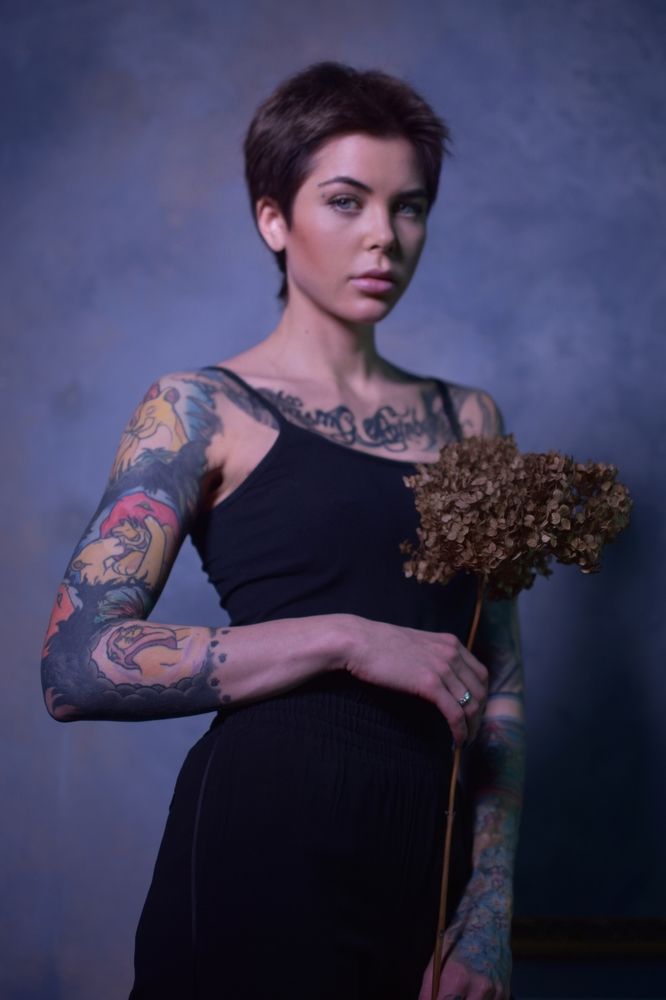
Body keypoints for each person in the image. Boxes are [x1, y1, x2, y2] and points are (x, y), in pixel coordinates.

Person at [41, 61, 525, 1000]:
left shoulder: (472, 422)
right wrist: (349, 639)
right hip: (258, 840)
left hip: (420, 860)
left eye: (410, 207)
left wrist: (489, 908)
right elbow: (73, 666)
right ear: (273, 218)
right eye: (346, 201)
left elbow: (498, 679)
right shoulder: (196, 409)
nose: (384, 235)